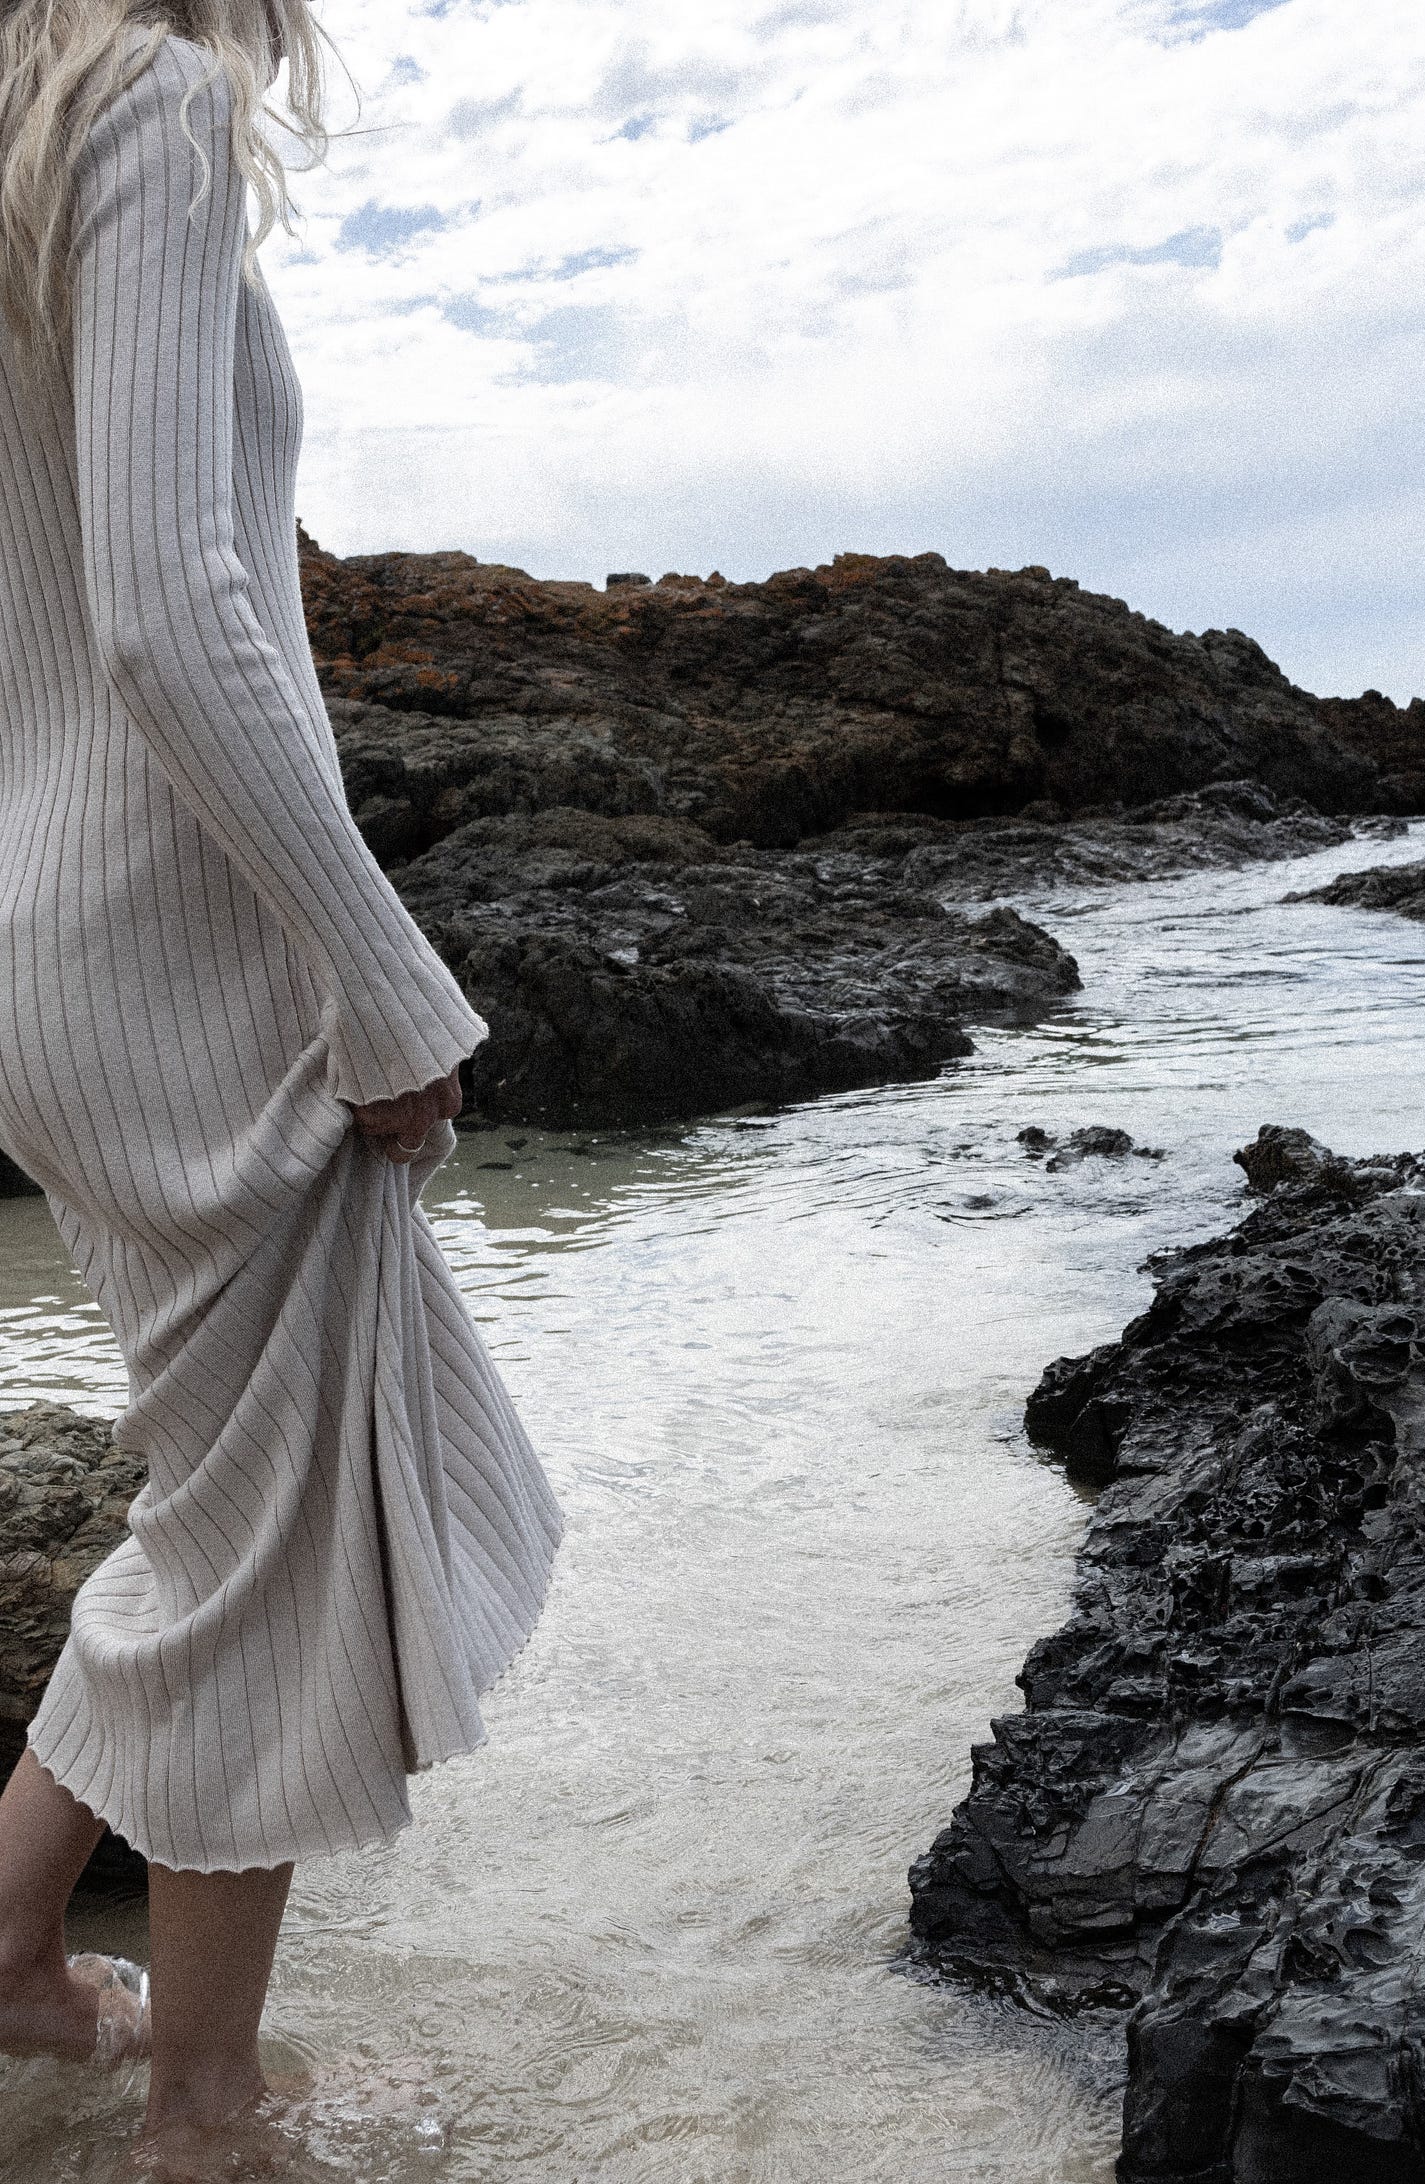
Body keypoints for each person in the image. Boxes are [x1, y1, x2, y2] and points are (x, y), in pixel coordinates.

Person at [0, 0, 564, 2170]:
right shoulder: (135, 98)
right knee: (280, 1561)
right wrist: (388, 977)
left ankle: (15, 1962)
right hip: (184, 941)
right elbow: (171, 610)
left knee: (217, 1512)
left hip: (51, 954)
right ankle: (207, 2113)